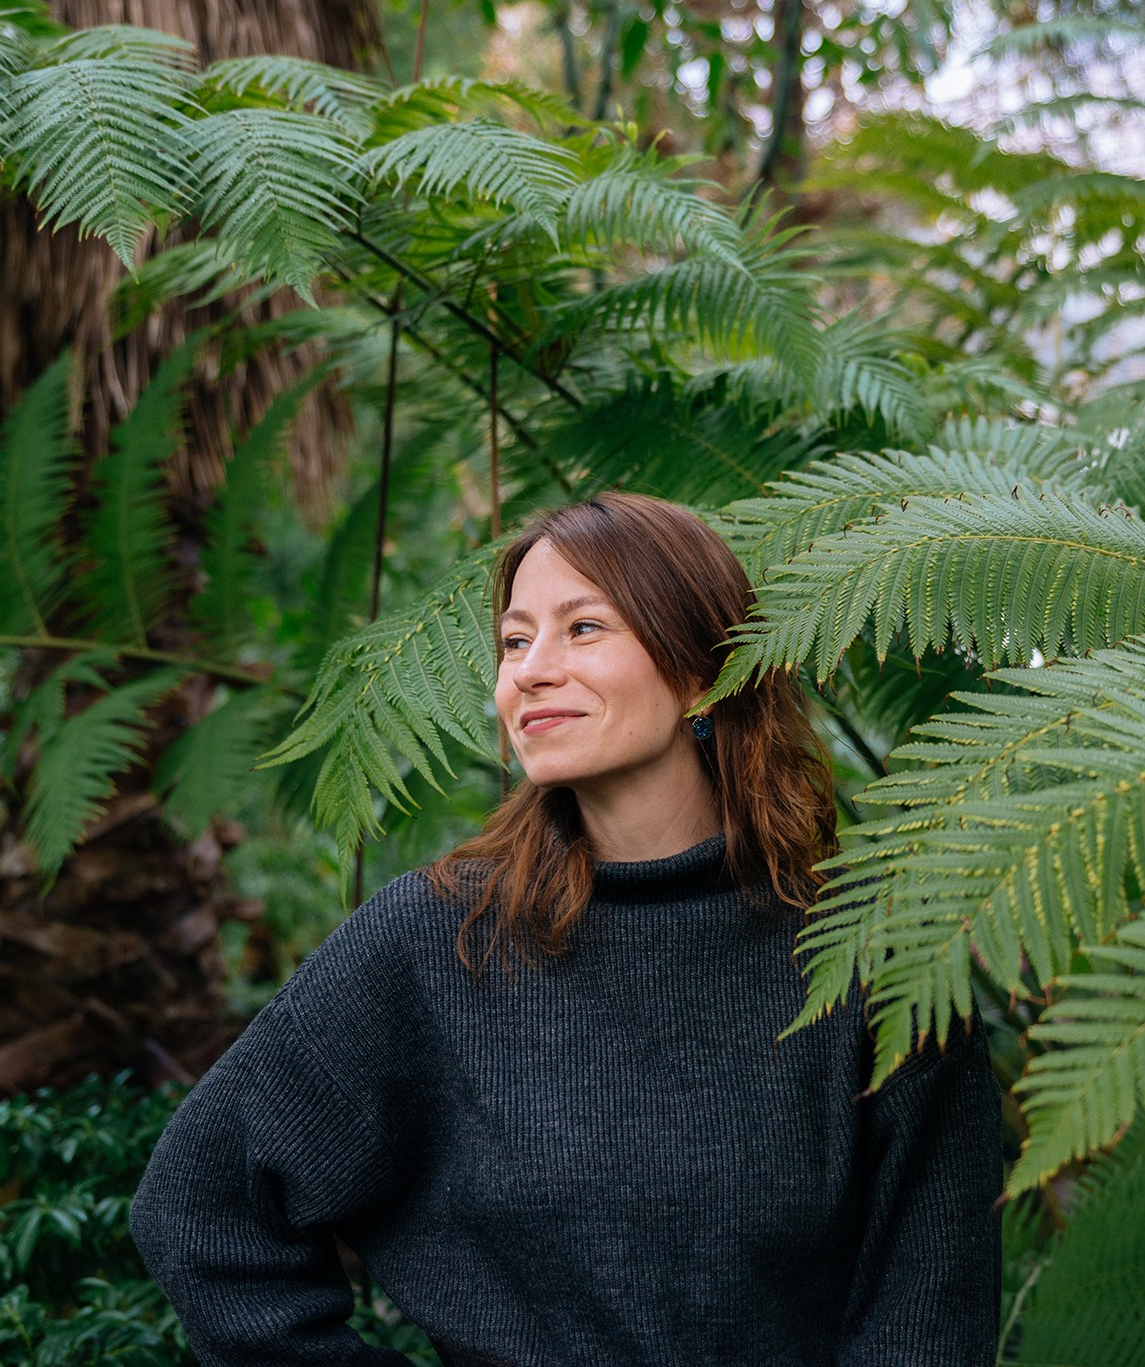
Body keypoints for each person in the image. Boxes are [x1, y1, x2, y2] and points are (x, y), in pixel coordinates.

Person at [129, 492, 1005, 1366]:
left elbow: (928, 1317)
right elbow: (200, 1209)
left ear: (703, 669)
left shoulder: (879, 953)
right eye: (515, 641)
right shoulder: (440, 939)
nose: (531, 671)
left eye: (583, 628)